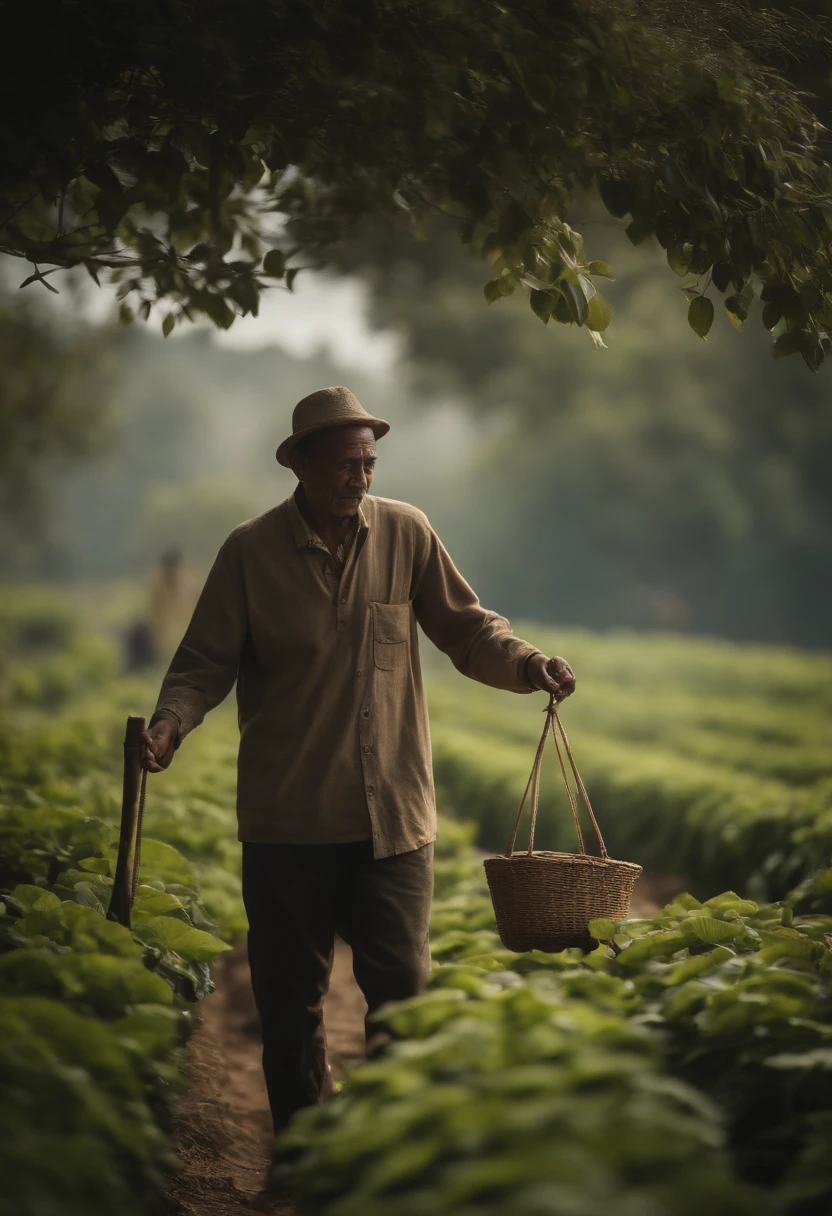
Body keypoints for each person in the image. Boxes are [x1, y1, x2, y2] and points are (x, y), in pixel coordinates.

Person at [140, 386, 576, 1174]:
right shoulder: (250, 552)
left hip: (393, 819)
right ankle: (303, 1162)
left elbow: (467, 629)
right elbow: (203, 663)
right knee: (288, 1003)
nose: (360, 476)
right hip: (288, 819)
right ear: (301, 463)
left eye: (370, 461)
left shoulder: (406, 533)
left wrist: (526, 663)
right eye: (345, 463)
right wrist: (171, 721)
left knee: (403, 994)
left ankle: (394, 1160)